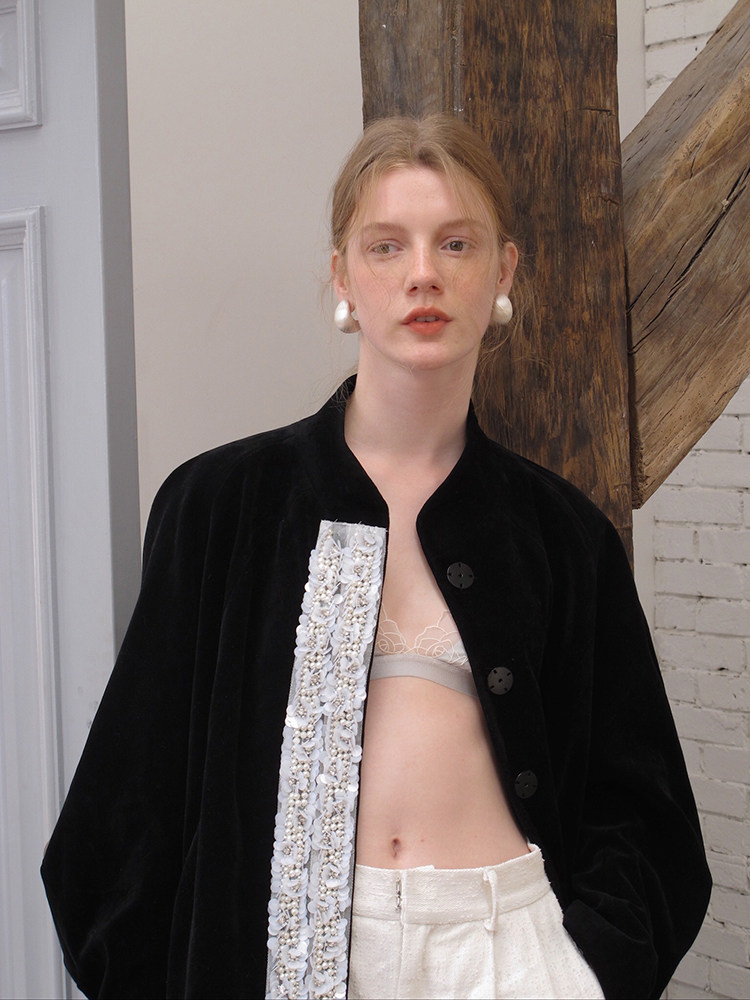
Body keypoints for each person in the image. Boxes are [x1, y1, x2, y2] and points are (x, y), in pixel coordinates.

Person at [42, 114, 710, 1000]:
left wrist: (586, 973)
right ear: (343, 277)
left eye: (456, 243)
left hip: (509, 957)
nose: (423, 273)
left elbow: (648, 816)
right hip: (289, 965)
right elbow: (121, 814)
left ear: (503, 272)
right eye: (386, 246)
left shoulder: (563, 536)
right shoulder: (220, 507)